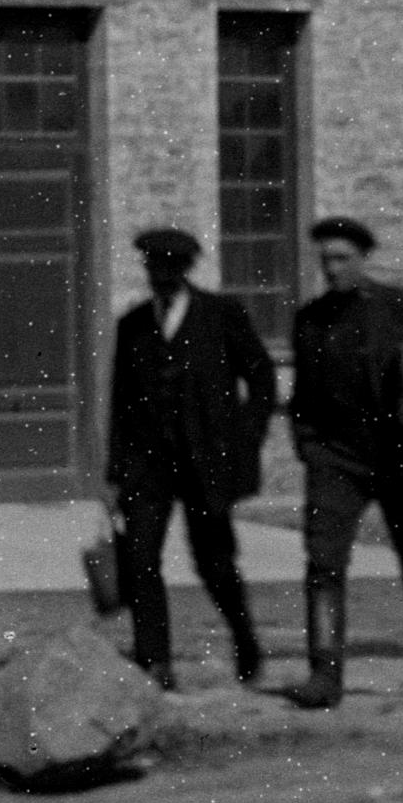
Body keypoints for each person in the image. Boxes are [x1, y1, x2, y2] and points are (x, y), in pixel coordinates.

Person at [282, 212, 403, 708]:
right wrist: (308, 446)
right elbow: (302, 396)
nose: (332, 268)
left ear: (363, 259)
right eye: (325, 259)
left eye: (342, 258)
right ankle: (324, 674)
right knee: (323, 565)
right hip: (337, 461)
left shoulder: (401, 307)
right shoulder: (310, 319)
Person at [98, 224, 281, 683]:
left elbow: (261, 376)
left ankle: (245, 640)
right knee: (140, 561)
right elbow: (121, 402)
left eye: (167, 268)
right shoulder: (133, 324)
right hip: (147, 465)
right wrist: (116, 473)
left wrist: (246, 435)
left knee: (213, 562)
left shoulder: (220, 315)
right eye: (151, 268)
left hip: (206, 463)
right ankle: (155, 663)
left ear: (183, 271)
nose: (158, 276)